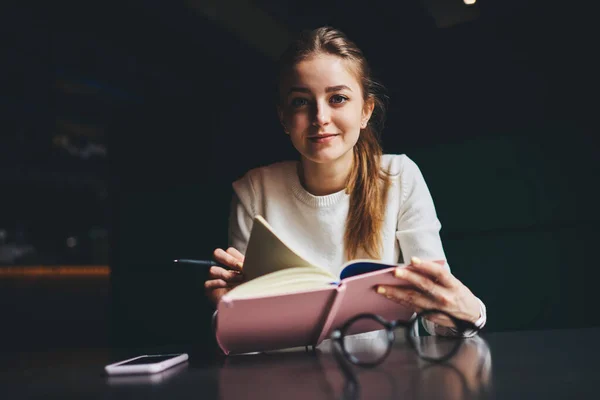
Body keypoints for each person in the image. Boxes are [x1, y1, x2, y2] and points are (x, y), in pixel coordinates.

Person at [204, 26, 486, 336]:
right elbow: (247, 337)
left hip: (392, 379)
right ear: (283, 116)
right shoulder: (253, 191)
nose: (320, 117)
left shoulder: (399, 177)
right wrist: (229, 311)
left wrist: (469, 312)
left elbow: (439, 318)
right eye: (301, 102)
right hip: (288, 380)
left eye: (337, 98)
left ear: (366, 111)